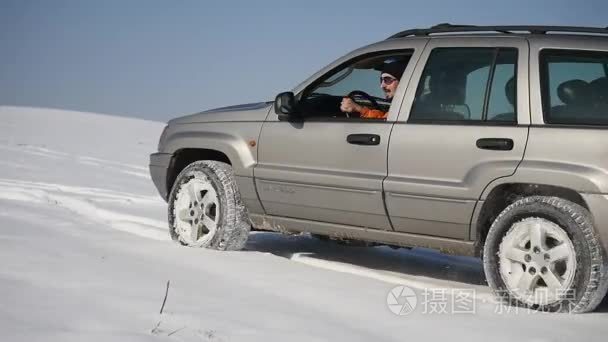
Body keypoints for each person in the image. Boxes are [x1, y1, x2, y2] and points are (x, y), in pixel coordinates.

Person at [339, 61, 407, 119]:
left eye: (388, 80)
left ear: (403, 81)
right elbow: (383, 118)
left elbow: (384, 125)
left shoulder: (406, 107)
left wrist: (359, 109)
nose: (382, 85)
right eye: (381, 80)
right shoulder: (403, 105)